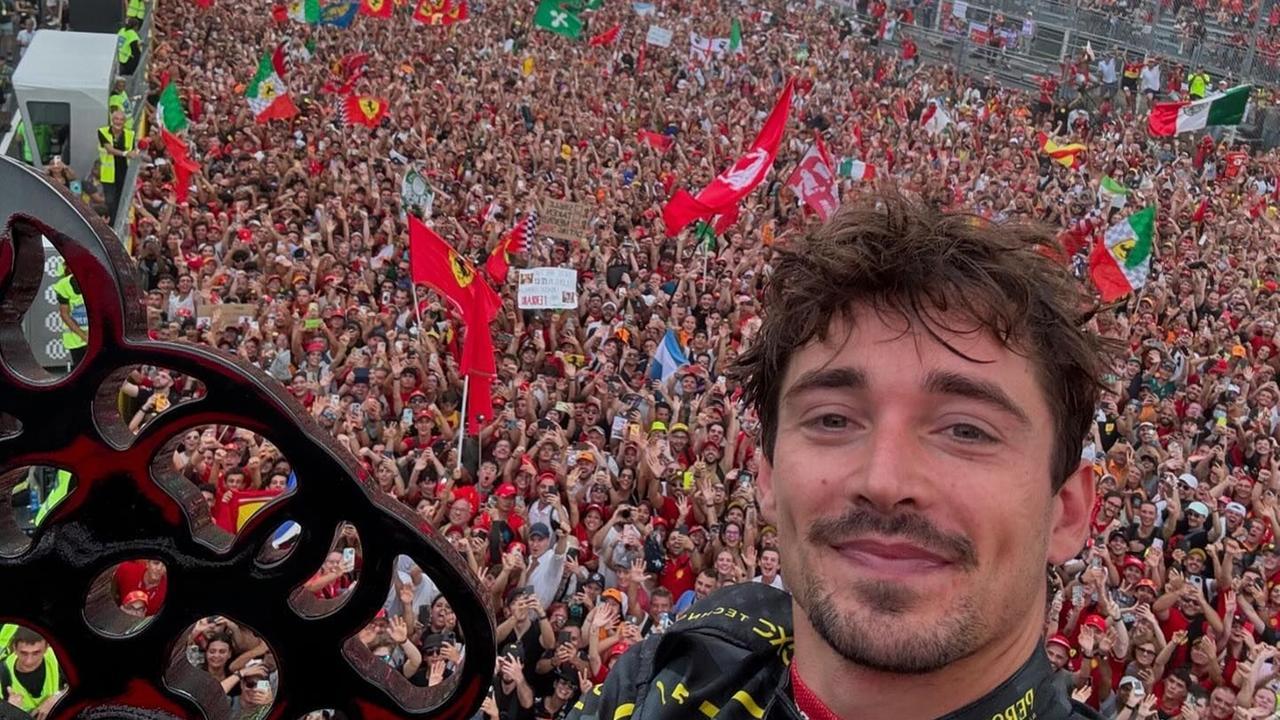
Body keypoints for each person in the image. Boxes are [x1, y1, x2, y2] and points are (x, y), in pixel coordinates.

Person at [570, 193, 1109, 719]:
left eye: (966, 430)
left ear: (1067, 510)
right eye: (833, 419)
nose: (884, 479)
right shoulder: (658, 685)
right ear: (768, 474)